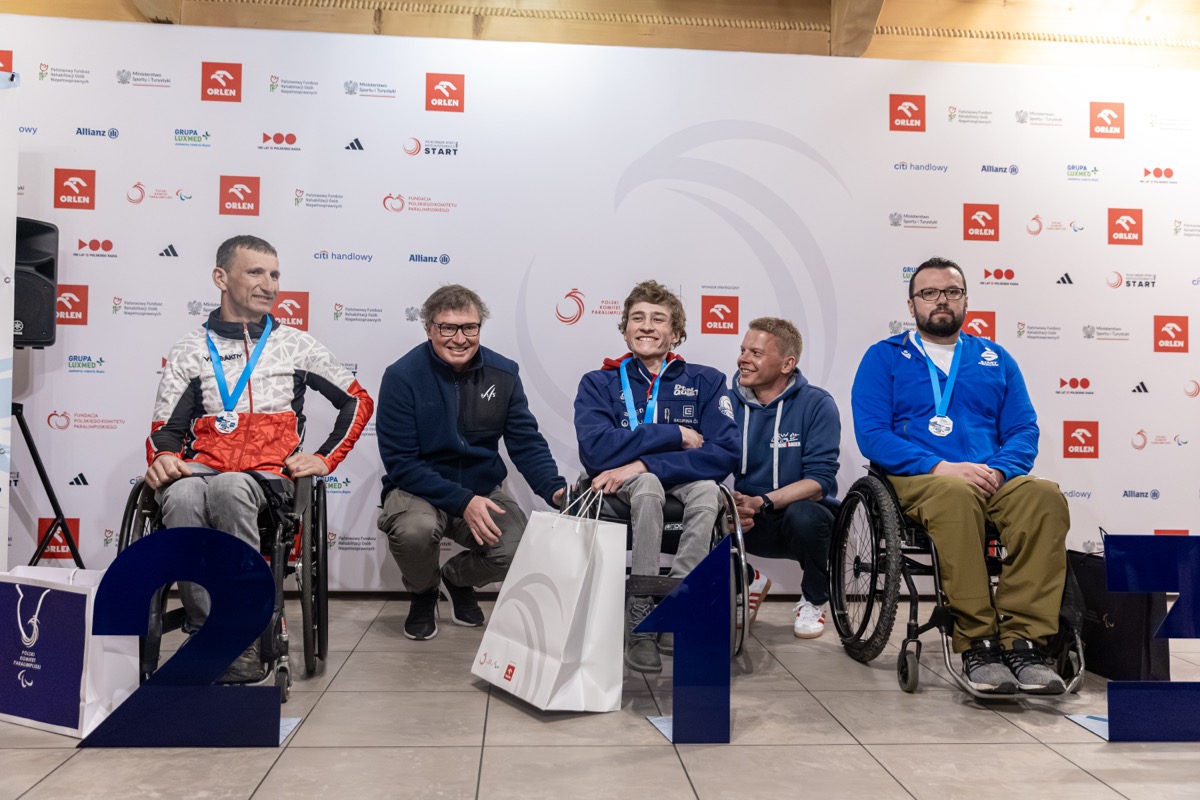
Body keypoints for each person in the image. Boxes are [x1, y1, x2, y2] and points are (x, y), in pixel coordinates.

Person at [146, 234, 374, 681]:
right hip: (205, 468)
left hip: (269, 477)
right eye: (255, 272)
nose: (269, 285)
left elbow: (357, 400)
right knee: (182, 493)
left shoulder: (296, 344)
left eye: (274, 275)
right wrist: (164, 457)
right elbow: (165, 430)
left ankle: (243, 634)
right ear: (220, 278)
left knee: (230, 487)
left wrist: (325, 458)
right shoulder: (190, 349)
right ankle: (209, 631)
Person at [851, 256, 1069, 695]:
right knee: (954, 494)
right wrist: (939, 466)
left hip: (991, 477)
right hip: (921, 478)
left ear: (966, 299)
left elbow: (1024, 429)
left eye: (952, 292)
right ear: (911, 304)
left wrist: (1001, 470)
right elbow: (872, 434)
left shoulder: (995, 358)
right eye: (929, 293)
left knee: (1045, 496)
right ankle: (977, 642)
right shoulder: (884, 357)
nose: (941, 300)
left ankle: (1023, 641)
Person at [376, 285, 567, 641]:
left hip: (481, 489)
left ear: (480, 327)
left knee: (518, 551)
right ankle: (424, 593)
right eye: (448, 327)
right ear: (429, 328)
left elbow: (525, 442)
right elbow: (402, 463)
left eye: (469, 327)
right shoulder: (402, 376)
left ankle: (455, 579)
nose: (460, 338)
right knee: (414, 531)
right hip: (419, 490)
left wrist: (555, 489)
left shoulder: (504, 373)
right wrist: (462, 501)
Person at [574, 280, 739, 673]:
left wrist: (645, 462)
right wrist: (674, 435)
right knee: (647, 487)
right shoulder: (598, 382)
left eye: (658, 319)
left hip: (677, 479)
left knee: (708, 492)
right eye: (637, 318)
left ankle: (678, 604)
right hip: (620, 487)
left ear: (676, 333)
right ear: (625, 330)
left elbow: (725, 453)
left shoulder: (706, 381)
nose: (646, 326)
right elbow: (596, 450)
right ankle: (642, 614)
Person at [729, 317, 840, 638]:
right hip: (751, 517)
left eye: (756, 353)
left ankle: (815, 599)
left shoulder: (817, 403)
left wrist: (762, 501)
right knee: (701, 510)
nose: (743, 359)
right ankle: (748, 579)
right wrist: (730, 502)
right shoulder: (726, 402)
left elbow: (819, 482)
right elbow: (710, 462)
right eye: (743, 350)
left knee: (805, 514)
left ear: (787, 364)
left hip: (802, 520)